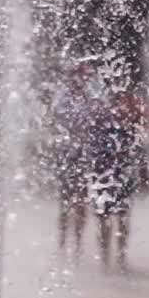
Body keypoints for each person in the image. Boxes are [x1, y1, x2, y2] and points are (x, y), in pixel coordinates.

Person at [86, 81, 149, 272]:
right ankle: (111, 258)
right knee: (112, 216)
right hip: (108, 171)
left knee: (116, 215)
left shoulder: (126, 115)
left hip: (113, 172)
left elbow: (137, 146)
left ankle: (114, 258)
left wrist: (142, 169)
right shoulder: (106, 116)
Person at [49, 60, 103, 261]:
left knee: (82, 200)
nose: (81, 79)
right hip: (67, 152)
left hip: (86, 153)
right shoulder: (63, 94)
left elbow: (99, 115)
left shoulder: (93, 93)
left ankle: (78, 243)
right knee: (65, 201)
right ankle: (63, 243)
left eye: (85, 76)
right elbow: (59, 114)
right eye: (77, 75)